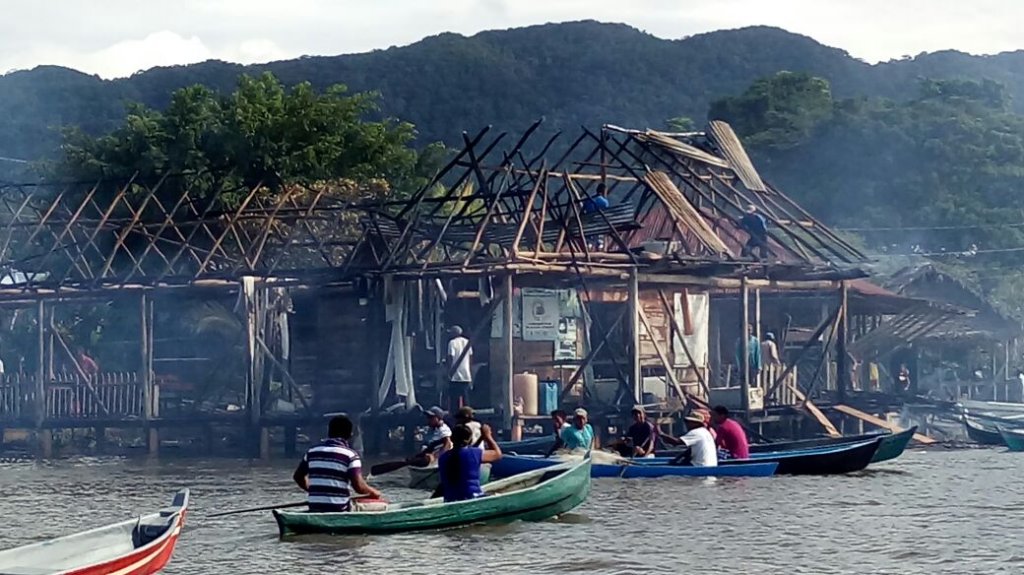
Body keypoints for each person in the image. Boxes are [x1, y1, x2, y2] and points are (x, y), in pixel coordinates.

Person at [292, 415, 382, 512]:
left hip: (315, 506)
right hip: (340, 508)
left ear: (329, 432)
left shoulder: (312, 452)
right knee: (382, 505)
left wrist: (314, 490)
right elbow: (359, 487)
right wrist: (374, 492)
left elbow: (298, 477)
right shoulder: (351, 455)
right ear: (350, 435)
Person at [438, 423, 503, 502]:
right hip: (472, 497)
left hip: (450, 500)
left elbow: (463, 454)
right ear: (470, 439)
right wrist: (487, 436)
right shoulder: (474, 453)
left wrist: (482, 438)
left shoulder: (443, 457)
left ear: (452, 439)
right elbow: (498, 454)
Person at [447, 326, 473, 413]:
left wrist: (449, 371)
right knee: (466, 397)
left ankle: (455, 414)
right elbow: (470, 357)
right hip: (466, 374)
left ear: (454, 333)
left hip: (455, 375)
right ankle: (468, 413)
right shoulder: (467, 342)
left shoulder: (452, 343)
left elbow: (451, 357)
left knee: (454, 398)